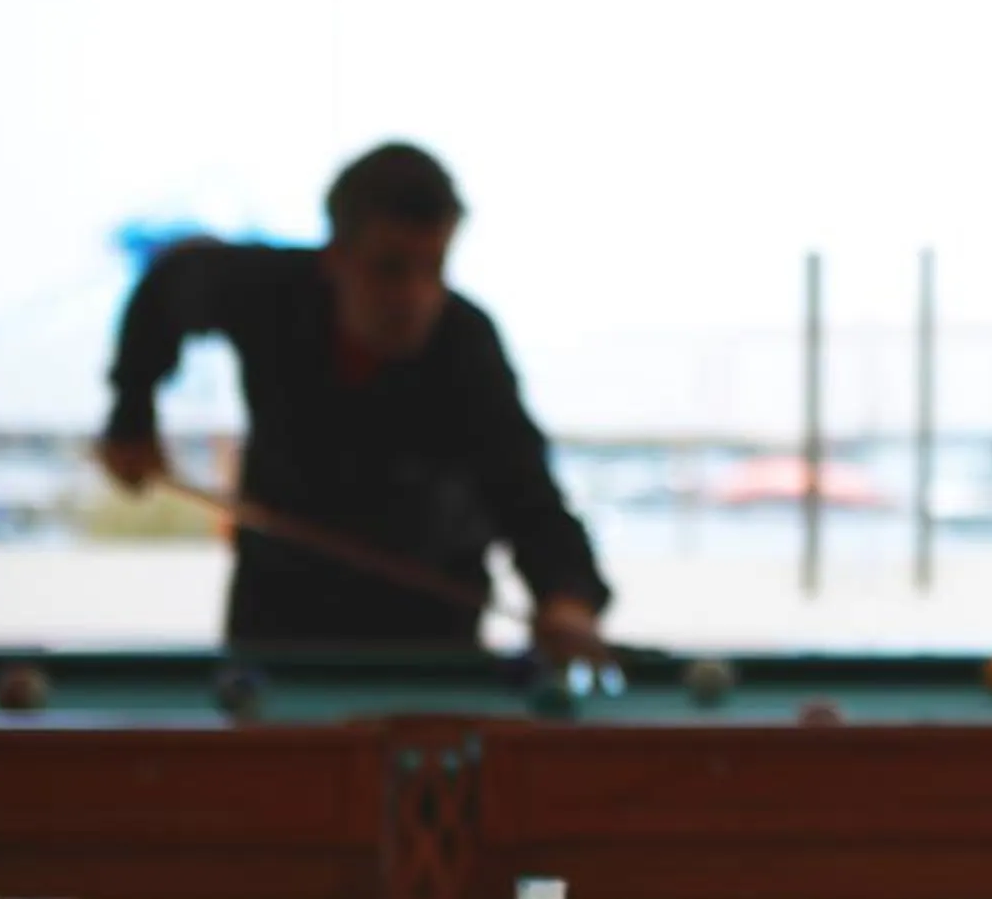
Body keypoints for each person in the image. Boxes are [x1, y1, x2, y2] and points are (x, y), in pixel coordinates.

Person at [96, 142, 611, 661]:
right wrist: (131, 415)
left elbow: (526, 492)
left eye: (434, 267)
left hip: (428, 642)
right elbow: (169, 283)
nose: (415, 296)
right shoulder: (270, 291)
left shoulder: (466, 343)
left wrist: (567, 599)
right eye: (390, 268)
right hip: (277, 628)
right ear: (335, 258)